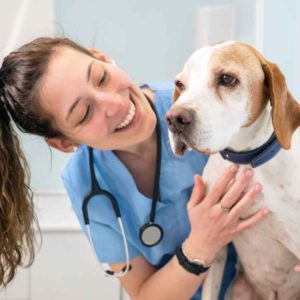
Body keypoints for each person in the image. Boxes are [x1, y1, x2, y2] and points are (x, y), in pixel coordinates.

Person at [0, 36, 290, 299]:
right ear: (64, 143)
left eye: (100, 78)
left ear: (102, 57)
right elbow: (145, 294)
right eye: (85, 113)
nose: (114, 103)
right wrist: (200, 245)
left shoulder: (201, 114)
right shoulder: (85, 182)